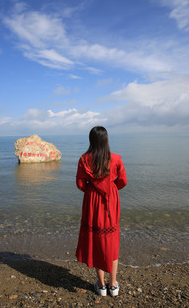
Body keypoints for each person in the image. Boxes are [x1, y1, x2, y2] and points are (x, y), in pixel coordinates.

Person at [75, 126, 127, 297]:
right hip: (110, 201)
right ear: (106, 140)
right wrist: (110, 189)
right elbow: (123, 182)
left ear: (91, 140)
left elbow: (81, 184)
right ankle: (113, 286)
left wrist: (93, 190)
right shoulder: (116, 159)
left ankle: (101, 285)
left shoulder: (84, 159)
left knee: (97, 240)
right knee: (111, 240)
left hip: (93, 201)